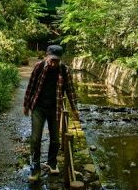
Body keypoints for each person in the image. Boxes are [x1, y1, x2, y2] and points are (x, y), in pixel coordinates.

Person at [23, 44, 79, 181]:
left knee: (55, 140)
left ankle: (51, 162)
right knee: (36, 138)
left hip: (55, 108)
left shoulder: (64, 70)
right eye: (51, 60)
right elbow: (31, 85)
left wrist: (74, 108)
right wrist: (26, 104)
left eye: (56, 60)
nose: (53, 63)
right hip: (38, 108)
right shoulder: (39, 66)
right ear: (47, 56)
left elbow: (70, 90)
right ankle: (35, 168)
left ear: (60, 59)